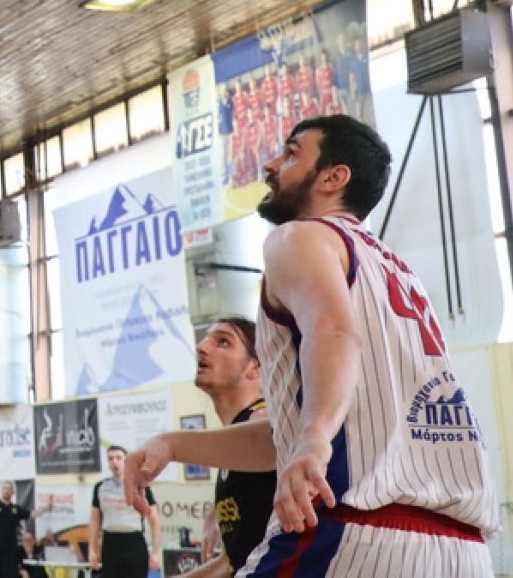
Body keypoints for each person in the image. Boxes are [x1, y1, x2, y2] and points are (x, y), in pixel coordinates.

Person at [124, 115, 500, 575]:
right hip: (463, 550)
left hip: (355, 533)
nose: (270, 165)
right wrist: (173, 443)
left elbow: (334, 332)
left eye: (291, 153)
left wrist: (314, 439)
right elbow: (296, 430)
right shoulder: (399, 273)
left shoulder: (298, 237)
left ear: (333, 177)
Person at [172, 317, 273, 578]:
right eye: (206, 339)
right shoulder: (236, 446)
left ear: (255, 368)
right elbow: (235, 561)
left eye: (223, 342)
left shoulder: (263, 418)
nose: (201, 346)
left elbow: (269, 436)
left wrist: (169, 445)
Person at [90, 446, 158, 577]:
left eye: (118, 458)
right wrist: (92, 550)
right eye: (110, 459)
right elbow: (94, 520)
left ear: (126, 461)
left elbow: (154, 520)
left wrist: (155, 552)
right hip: (110, 543)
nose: (114, 462)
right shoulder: (100, 487)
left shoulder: (140, 485)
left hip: (134, 542)